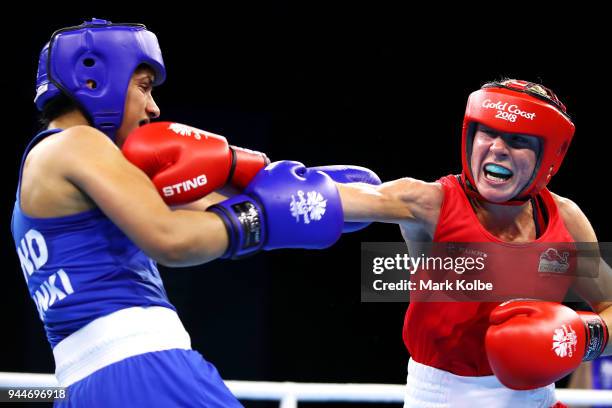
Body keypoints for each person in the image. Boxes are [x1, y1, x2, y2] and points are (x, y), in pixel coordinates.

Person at [13, 18, 379, 407]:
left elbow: (219, 210)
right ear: (94, 82)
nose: (153, 107)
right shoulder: (75, 144)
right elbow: (172, 238)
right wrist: (264, 217)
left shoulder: (69, 172)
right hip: (144, 373)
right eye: (143, 86)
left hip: (82, 388)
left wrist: (329, 198)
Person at [330, 79, 612, 407]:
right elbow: (349, 198)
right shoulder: (429, 204)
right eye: (487, 133)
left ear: (547, 155)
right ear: (470, 136)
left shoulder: (566, 220)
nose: (497, 148)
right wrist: (261, 196)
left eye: (517, 139)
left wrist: (583, 336)